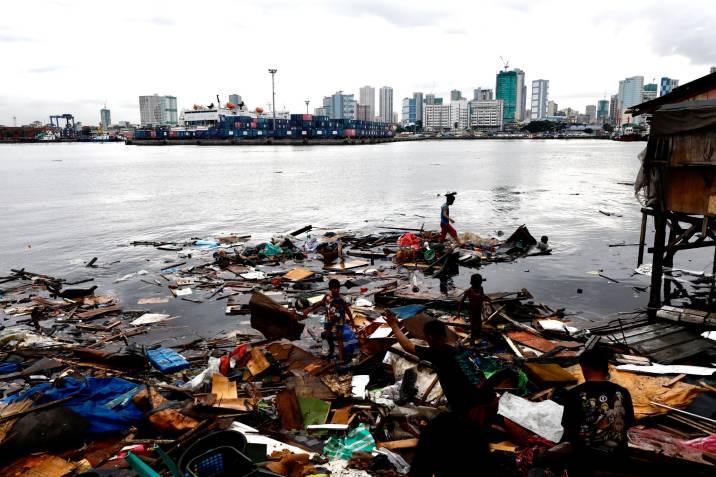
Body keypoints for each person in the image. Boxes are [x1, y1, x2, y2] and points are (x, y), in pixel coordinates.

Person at [385, 312, 496, 476]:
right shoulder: (456, 351)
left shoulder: (438, 353)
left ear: (429, 337)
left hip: (475, 408)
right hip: (490, 400)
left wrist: (394, 326)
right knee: (477, 442)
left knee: (465, 443)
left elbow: (408, 346)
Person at [559, 347, 635, 476]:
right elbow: (628, 423)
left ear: (584, 368)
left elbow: (568, 429)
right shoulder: (623, 392)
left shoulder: (573, 394)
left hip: (584, 465)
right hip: (617, 463)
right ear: (606, 368)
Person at [304, 279, 354, 361]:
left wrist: (352, 322)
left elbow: (347, 310)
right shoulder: (327, 296)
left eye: (338, 288)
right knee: (328, 335)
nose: (336, 290)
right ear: (330, 288)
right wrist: (309, 309)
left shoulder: (341, 299)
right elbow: (320, 303)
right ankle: (331, 350)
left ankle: (341, 358)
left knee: (339, 339)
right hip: (329, 320)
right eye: (334, 288)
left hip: (339, 321)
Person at [456, 273, 491, 344]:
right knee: (473, 326)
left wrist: (486, 298)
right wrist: (458, 313)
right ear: (473, 283)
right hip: (472, 311)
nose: (480, 284)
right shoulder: (469, 291)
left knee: (479, 324)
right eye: (478, 283)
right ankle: (472, 341)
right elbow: (461, 301)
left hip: (479, 310)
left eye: (480, 283)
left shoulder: (481, 289)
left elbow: (482, 296)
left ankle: (478, 337)